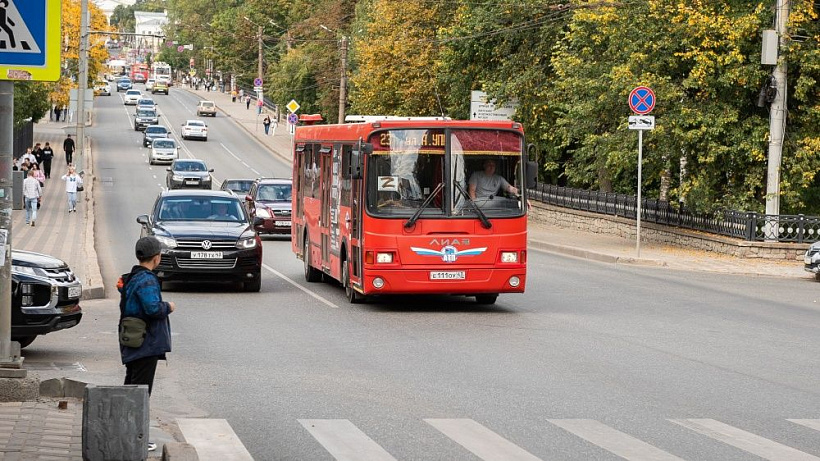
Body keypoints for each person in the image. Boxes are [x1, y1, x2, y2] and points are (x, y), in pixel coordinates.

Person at [118, 236, 175, 453]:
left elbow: (132, 300)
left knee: (132, 389)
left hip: (133, 341)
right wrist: (168, 306)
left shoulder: (133, 276)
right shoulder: (148, 280)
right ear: (156, 258)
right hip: (145, 344)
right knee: (140, 393)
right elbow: (152, 308)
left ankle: (124, 432)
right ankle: (135, 438)